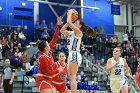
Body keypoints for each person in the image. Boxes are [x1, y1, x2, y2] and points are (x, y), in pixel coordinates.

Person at [36, 17, 63, 93]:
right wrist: (58, 70)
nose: (49, 44)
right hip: (42, 80)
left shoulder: (49, 51)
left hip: (49, 79)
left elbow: (54, 38)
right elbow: (47, 72)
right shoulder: (42, 57)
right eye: (47, 44)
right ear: (45, 48)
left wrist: (58, 25)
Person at [60, 9, 84, 93]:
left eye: (76, 22)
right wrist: (68, 22)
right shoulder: (71, 32)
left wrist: (69, 14)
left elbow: (70, 23)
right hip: (71, 54)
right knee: (70, 76)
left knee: (72, 76)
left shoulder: (79, 32)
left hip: (75, 53)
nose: (74, 23)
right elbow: (62, 31)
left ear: (80, 26)